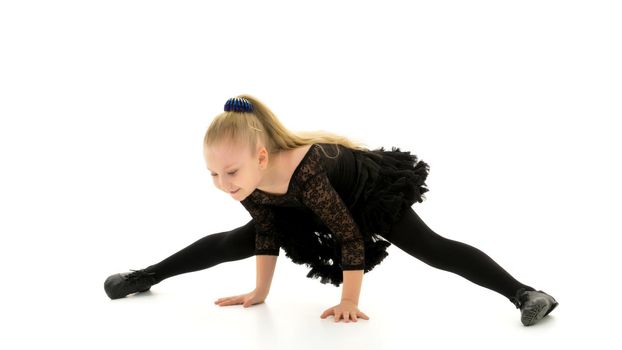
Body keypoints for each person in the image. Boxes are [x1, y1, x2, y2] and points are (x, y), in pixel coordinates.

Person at [104, 94, 558, 326]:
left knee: (431, 248)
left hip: (363, 195)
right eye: (213, 175)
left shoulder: (307, 170)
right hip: (303, 203)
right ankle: (143, 277)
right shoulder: (246, 179)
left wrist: (347, 301)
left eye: (231, 173)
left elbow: (348, 236)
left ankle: (527, 294)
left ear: (261, 158)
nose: (223, 185)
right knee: (235, 241)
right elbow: (265, 230)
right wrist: (259, 291)